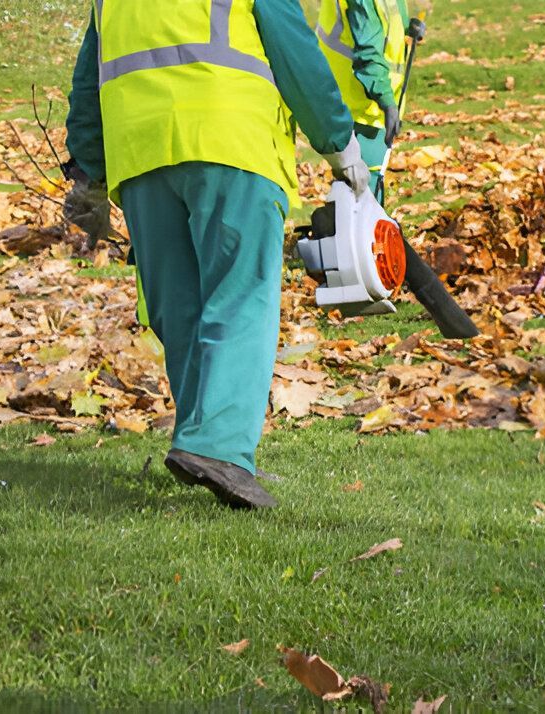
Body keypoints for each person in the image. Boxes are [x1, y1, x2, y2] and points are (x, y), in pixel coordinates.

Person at [62, 0, 371, 509]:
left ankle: (199, 440)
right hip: (232, 139)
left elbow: (89, 78)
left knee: (177, 305)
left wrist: (89, 173)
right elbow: (295, 52)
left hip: (141, 153)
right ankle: (219, 448)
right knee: (241, 295)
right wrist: (340, 143)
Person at [316, 0, 413, 199]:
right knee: (362, 192)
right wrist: (386, 101)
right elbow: (368, 52)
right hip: (359, 106)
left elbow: (389, 27)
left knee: (360, 188)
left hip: (372, 104)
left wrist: (408, 31)